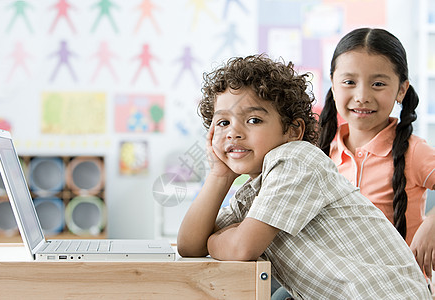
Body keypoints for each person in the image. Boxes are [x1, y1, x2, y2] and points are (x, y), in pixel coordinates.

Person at [177, 54, 432, 299]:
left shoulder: (295, 160)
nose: (234, 133)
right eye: (223, 123)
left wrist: (215, 241)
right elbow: (189, 245)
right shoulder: (256, 190)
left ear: (292, 130)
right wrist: (219, 175)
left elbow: (241, 248)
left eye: (253, 120)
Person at [318, 28, 435, 281]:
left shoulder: (413, 151)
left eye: (378, 84)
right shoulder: (321, 153)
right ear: (333, 84)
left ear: (401, 90)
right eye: (349, 82)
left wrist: (432, 224)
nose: (362, 97)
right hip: (338, 288)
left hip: (401, 289)